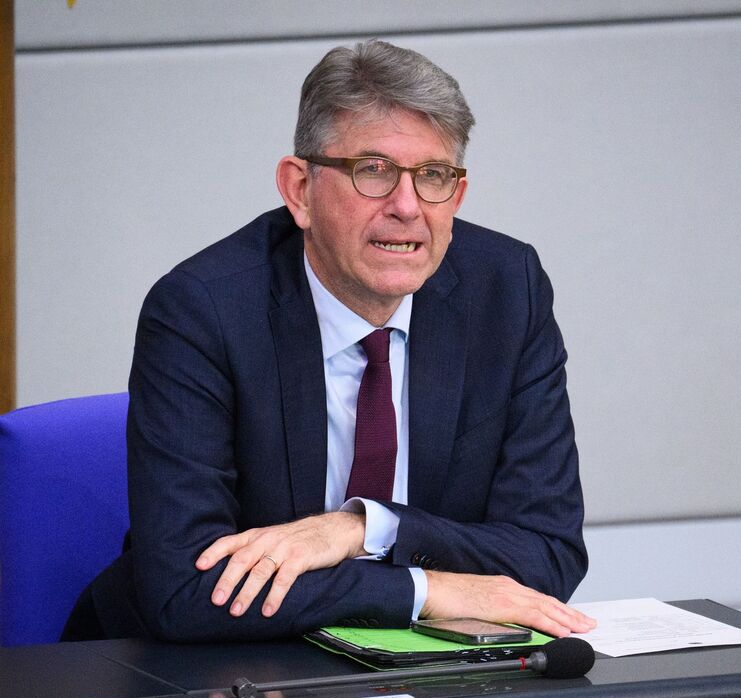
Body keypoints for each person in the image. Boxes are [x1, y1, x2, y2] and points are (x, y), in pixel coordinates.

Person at [63, 40, 595, 643]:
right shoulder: (203, 310)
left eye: (433, 177)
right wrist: (429, 590)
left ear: (459, 195)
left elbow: (548, 553)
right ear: (300, 190)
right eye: (373, 171)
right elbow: (188, 588)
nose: (406, 208)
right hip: (189, 677)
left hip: (415, 676)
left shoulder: (506, 292)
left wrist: (362, 529)